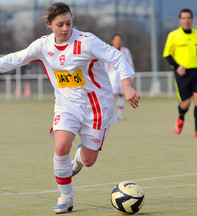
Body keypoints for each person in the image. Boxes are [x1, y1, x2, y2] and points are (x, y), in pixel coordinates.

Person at [0, 2, 140, 214]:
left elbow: (117, 56)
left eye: (68, 23)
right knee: (61, 147)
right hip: (66, 105)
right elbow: (16, 59)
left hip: (97, 106)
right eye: (60, 25)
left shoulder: (87, 41)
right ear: (49, 25)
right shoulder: (43, 46)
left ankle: (78, 160)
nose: (65, 29)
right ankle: (66, 197)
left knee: (89, 160)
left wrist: (127, 86)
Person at [163, 8, 197, 138]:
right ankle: (181, 116)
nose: (186, 20)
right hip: (182, 73)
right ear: (180, 20)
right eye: (184, 18)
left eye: (188, 18)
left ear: (192, 19)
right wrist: (177, 67)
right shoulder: (173, 35)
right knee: (186, 103)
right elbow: (167, 55)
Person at [105, 34, 135, 120]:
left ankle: (120, 114)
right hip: (112, 76)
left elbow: (130, 63)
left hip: (122, 76)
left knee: (122, 94)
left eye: (119, 40)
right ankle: (111, 114)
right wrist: (105, 75)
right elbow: (106, 64)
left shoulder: (126, 51)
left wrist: (132, 75)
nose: (118, 41)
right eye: (116, 40)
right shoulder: (109, 50)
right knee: (112, 95)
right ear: (112, 41)